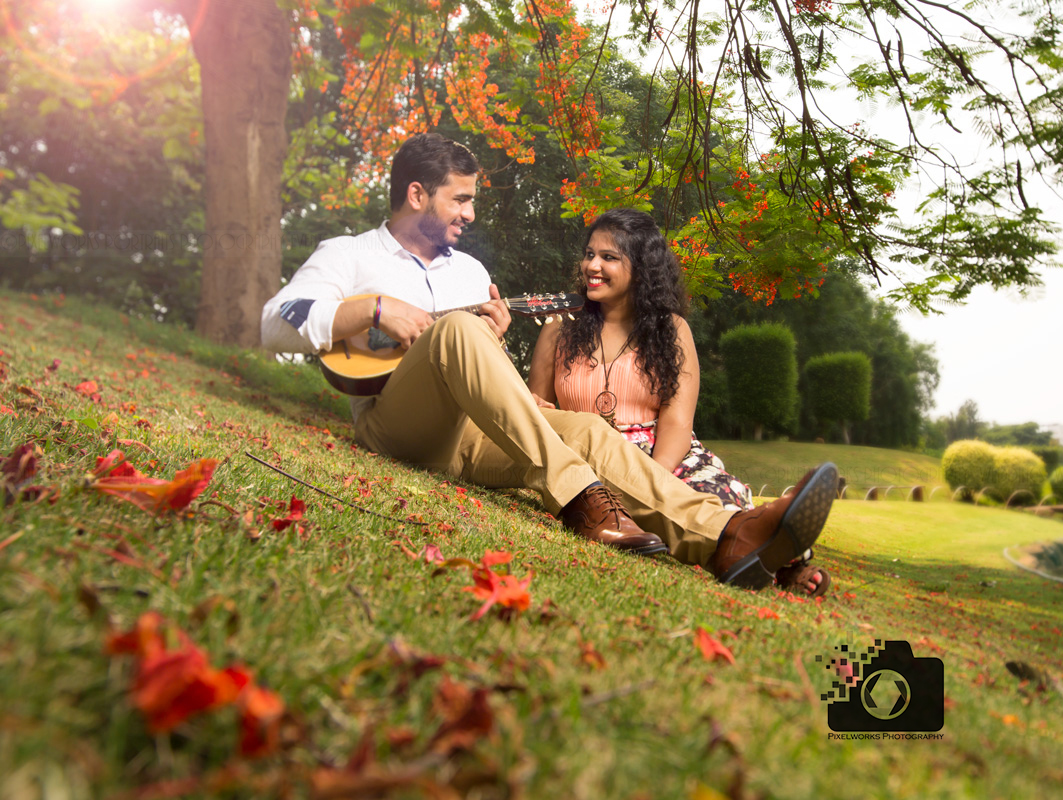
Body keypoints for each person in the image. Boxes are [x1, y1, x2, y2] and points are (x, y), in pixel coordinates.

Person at [260, 132, 838, 591]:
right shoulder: (349, 254)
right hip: (395, 424)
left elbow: (482, 374)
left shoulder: (468, 273)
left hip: (474, 436)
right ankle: (579, 497)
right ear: (418, 195)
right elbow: (273, 321)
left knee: (585, 428)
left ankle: (728, 535)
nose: (469, 213)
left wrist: (497, 346)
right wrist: (375, 311)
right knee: (460, 329)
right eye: (460, 199)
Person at [526, 208, 831, 596]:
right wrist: (540, 408)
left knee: (722, 496)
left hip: (663, 454)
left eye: (608, 257)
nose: (592, 266)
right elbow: (537, 404)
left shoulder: (672, 330)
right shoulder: (558, 327)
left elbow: (676, 421)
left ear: (641, 268)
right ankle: (760, 557)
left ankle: (783, 561)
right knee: (658, 510)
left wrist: (653, 478)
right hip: (588, 453)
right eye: (589, 254)